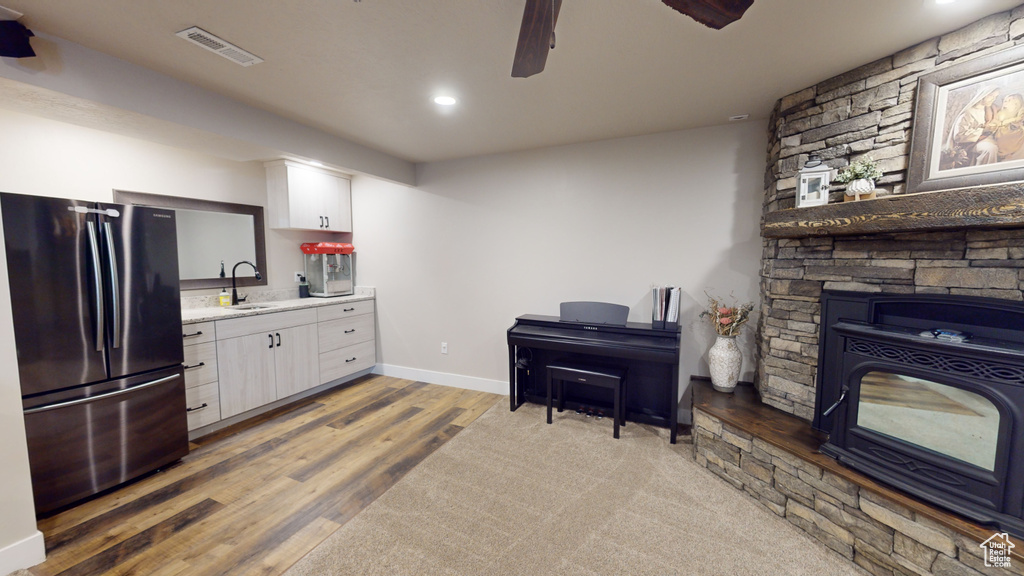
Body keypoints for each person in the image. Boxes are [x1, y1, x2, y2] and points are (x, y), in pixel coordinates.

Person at [942, 86, 1000, 170]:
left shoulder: (989, 110)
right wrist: (983, 130)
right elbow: (959, 136)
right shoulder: (968, 112)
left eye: (995, 97)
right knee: (990, 149)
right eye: (991, 96)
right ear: (983, 94)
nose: (993, 99)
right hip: (968, 144)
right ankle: (982, 174)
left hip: (984, 139)